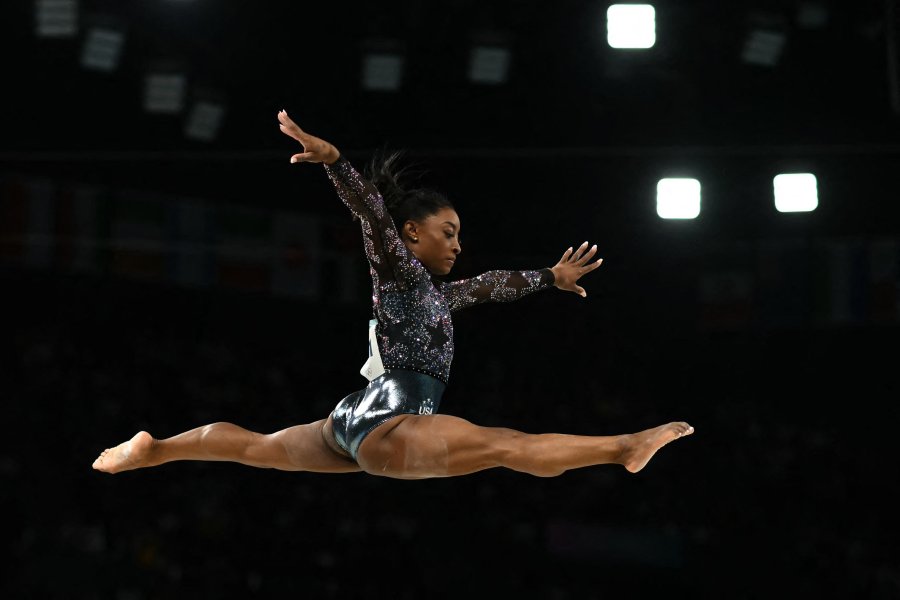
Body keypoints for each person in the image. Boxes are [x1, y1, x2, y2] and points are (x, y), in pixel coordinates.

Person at [92, 110, 693, 480]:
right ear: (412, 233)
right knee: (506, 446)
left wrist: (547, 278)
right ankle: (623, 448)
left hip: (354, 417)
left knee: (255, 447)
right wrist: (335, 163)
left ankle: (156, 450)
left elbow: (487, 286)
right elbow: (371, 215)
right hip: (391, 422)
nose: (457, 245)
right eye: (448, 232)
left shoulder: (432, 296)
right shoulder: (398, 269)